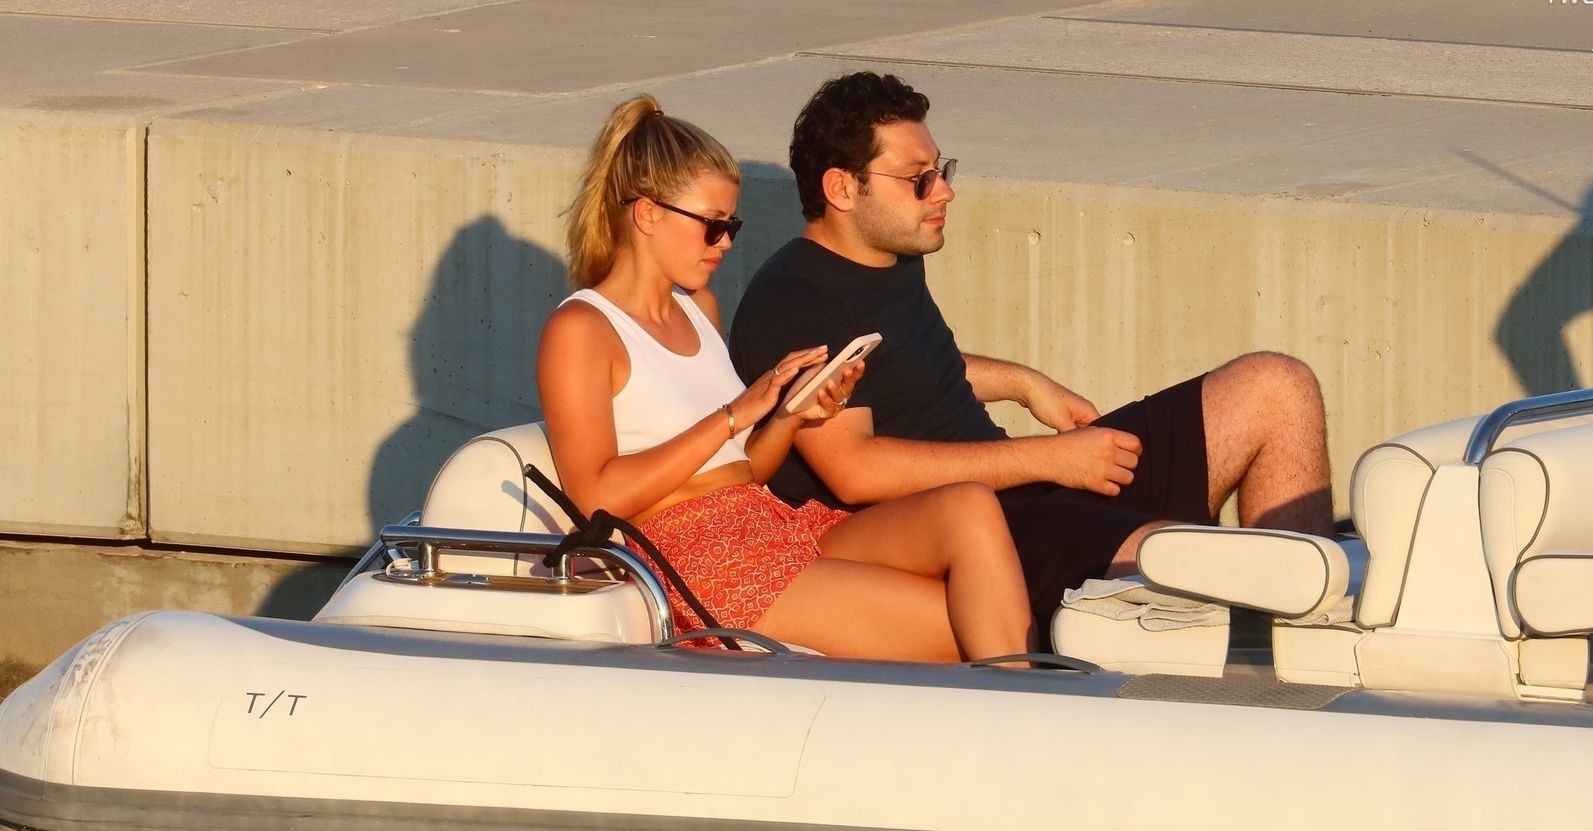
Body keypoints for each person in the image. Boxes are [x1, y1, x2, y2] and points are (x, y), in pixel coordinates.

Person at [730, 71, 1334, 634]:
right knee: (1179, 551)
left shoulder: (889, 254)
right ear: (842, 188)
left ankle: (1306, 633)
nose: (945, 191)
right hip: (972, 529)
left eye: (942, 170)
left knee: (1277, 386)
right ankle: (1273, 655)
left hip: (1025, 485)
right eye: (918, 179)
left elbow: (909, 369)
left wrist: (1025, 384)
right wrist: (1049, 458)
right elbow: (857, 470)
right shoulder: (795, 302)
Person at [537, 95, 1032, 662]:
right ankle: (1027, 708)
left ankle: (1020, 696)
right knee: (961, 626)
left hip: (771, 521)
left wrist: (792, 413)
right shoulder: (582, 328)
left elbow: (748, 469)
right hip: (699, 555)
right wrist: (731, 417)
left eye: (731, 225)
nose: (726, 243)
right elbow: (597, 498)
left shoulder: (698, 309)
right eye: (711, 226)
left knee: (969, 506)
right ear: (647, 215)